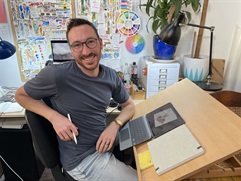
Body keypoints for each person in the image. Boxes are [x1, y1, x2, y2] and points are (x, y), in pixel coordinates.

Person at [15, 18, 138, 181]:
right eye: (77, 45)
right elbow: (20, 95)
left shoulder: (110, 76)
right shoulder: (56, 75)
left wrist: (114, 126)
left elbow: (129, 105)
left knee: (146, 146)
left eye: (90, 42)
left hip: (104, 143)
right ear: (71, 50)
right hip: (84, 160)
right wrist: (54, 117)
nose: (86, 51)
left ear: (100, 43)